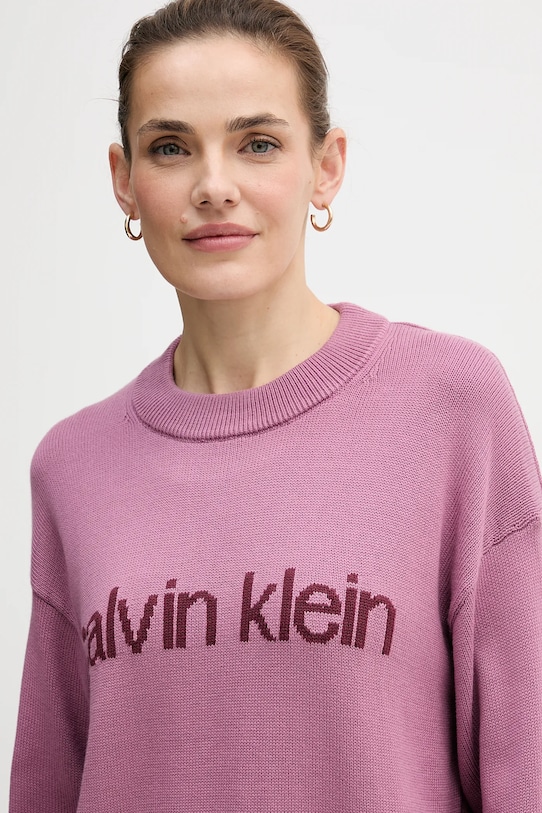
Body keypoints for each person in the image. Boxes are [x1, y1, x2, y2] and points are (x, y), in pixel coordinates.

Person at [9, 0, 542, 810]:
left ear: (326, 165)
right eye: (170, 147)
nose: (213, 186)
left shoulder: (452, 407)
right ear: (124, 180)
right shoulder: (72, 465)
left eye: (257, 143)